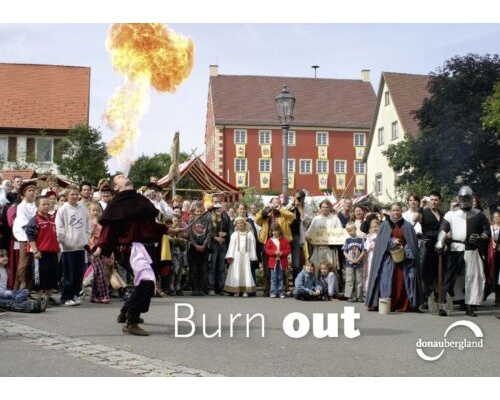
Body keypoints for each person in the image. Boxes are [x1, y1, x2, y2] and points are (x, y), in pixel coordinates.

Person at [94, 174, 168, 336]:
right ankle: (131, 322)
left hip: (145, 249)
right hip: (129, 249)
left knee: (146, 282)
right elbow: (109, 230)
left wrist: (168, 229)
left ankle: (125, 311)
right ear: (116, 187)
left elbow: (150, 226)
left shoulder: (139, 200)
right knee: (147, 282)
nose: (124, 175)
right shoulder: (117, 204)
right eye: (119, 176)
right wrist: (102, 248)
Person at [436, 186, 491, 317]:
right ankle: (443, 305)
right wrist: (440, 241)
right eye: (463, 197)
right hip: (455, 249)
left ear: (471, 198)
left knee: (472, 278)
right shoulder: (451, 214)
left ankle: (470, 306)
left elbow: (486, 232)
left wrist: (480, 237)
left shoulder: (479, 215)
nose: (465, 200)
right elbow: (443, 230)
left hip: (472, 249)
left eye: (467, 197)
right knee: (449, 278)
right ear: (459, 198)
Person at [366, 202, 423, 312]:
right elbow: (380, 243)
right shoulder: (384, 226)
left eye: (398, 210)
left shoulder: (408, 226)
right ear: (390, 212)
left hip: (404, 259)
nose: (395, 213)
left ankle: (406, 305)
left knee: (405, 281)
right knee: (386, 281)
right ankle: (387, 304)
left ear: (401, 211)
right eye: (393, 210)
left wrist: (405, 250)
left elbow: (412, 244)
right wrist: (391, 242)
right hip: (388, 259)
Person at [56, 184, 92, 306]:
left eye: (77, 194)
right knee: (69, 274)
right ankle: (66, 297)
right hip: (68, 249)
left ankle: (75, 295)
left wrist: (85, 240)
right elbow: (60, 230)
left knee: (78, 274)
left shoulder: (83, 209)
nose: (75, 196)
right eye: (72, 194)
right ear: (67, 196)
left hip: (80, 247)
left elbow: (88, 226)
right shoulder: (63, 210)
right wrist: (66, 243)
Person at [25, 196, 60, 306]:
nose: (46, 206)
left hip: (53, 252)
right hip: (40, 253)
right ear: (38, 206)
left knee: (52, 276)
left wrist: (58, 249)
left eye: (48, 204)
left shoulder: (52, 219)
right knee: (40, 276)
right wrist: (36, 251)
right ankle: (40, 299)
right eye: (43, 204)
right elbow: (30, 237)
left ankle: (49, 298)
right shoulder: (34, 220)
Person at [256, 197, 294, 296]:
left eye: (277, 204)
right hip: (268, 243)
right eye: (273, 204)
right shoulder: (266, 215)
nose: (275, 206)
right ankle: (268, 289)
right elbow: (257, 220)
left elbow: (292, 217)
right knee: (267, 268)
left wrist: (280, 209)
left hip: (281, 244)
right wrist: (265, 208)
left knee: (282, 269)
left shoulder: (284, 215)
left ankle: (282, 290)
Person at [418, 191, 444, 310]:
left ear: (439, 201)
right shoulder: (423, 211)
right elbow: (414, 219)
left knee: (436, 273)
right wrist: (421, 206)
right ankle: (423, 298)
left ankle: (435, 296)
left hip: (438, 245)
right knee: (424, 272)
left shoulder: (441, 213)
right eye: (432, 200)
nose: (433, 202)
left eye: (436, 200)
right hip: (426, 245)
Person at [12, 181, 38, 290]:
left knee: (32, 265)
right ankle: (18, 288)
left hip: (35, 239)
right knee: (23, 264)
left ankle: (28, 288)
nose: (32, 193)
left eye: (34, 191)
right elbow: (24, 224)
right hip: (25, 239)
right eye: (29, 191)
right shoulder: (21, 206)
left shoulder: (37, 205)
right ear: (25, 193)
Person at [305, 199, 342, 274]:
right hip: (318, 248)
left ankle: (330, 284)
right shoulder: (316, 219)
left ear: (330, 208)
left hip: (330, 249)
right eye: (323, 207)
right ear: (320, 208)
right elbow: (308, 234)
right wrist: (312, 242)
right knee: (317, 268)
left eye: (326, 207)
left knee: (330, 267)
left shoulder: (335, 219)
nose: (324, 209)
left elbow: (340, 234)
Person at [224, 216, 257, 296]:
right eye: (238, 223)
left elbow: (252, 246)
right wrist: (230, 256)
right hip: (236, 257)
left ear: (244, 224)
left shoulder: (249, 235)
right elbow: (231, 246)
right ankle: (236, 290)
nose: (240, 224)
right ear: (236, 225)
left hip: (246, 256)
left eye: (241, 223)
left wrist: (253, 256)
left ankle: (246, 290)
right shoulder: (234, 235)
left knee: (246, 272)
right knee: (236, 272)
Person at [187, 202, 210, 296]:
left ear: (204, 211)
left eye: (201, 211)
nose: (199, 213)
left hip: (204, 247)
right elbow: (189, 234)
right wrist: (195, 245)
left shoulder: (207, 221)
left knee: (203, 270)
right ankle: (195, 289)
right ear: (195, 211)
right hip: (194, 247)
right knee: (194, 270)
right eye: (197, 211)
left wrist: (204, 245)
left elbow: (209, 233)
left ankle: (201, 289)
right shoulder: (191, 220)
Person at [207, 203, 231, 295]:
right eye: (216, 208)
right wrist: (215, 237)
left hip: (223, 245)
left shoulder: (225, 220)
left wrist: (225, 234)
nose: (218, 210)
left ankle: (221, 288)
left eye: (219, 208)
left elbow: (228, 231)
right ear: (214, 210)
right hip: (213, 245)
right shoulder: (210, 220)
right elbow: (208, 231)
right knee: (212, 267)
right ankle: (211, 288)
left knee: (221, 268)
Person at [265, 223, 291, 298]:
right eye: (273, 231)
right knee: (273, 278)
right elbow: (267, 250)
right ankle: (273, 292)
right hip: (273, 262)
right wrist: (274, 253)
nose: (274, 232)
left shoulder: (284, 240)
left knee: (280, 277)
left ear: (279, 231)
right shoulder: (270, 240)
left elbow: (288, 249)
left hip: (281, 262)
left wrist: (282, 253)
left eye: (276, 230)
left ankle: (281, 292)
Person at [343, 221, 366, 302]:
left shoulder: (361, 240)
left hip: (359, 263)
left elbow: (363, 251)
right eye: (348, 231)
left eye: (351, 230)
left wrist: (359, 258)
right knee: (349, 279)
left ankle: (359, 296)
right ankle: (349, 295)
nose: (350, 232)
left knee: (359, 280)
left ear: (355, 229)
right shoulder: (347, 240)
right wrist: (350, 259)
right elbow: (345, 251)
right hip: (349, 263)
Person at [168, 214, 187, 296]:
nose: (176, 223)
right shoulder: (170, 230)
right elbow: (169, 239)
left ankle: (178, 286)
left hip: (180, 254)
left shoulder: (181, 231)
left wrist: (182, 240)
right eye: (175, 221)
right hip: (172, 254)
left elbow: (184, 245)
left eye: (178, 221)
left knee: (179, 271)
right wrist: (176, 239)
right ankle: (171, 286)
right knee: (172, 271)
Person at [364, 219, 380, 293]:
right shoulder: (368, 238)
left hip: (378, 256)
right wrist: (369, 247)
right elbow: (366, 248)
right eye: (373, 227)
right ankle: (369, 290)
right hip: (371, 256)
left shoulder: (381, 236)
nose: (375, 228)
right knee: (370, 272)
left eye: (376, 226)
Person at [488, 211, 500, 306]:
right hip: (493, 253)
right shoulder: (490, 228)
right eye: (495, 217)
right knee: (494, 274)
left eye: (498, 216)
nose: (496, 218)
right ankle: (496, 298)